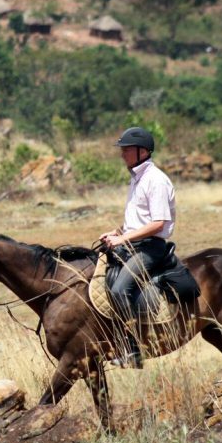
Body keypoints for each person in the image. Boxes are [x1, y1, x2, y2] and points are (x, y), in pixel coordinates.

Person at [98, 126, 176, 368]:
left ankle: (133, 352)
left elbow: (158, 223)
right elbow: (139, 220)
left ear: (143, 151)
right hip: (133, 243)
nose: (122, 154)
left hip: (150, 248)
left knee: (119, 289)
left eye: (127, 150)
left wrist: (123, 240)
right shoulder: (137, 178)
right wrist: (117, 232)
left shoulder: (156, 180)